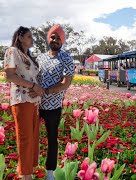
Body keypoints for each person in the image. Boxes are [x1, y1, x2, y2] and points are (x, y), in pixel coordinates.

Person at [30, 24, 75, 180]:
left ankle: (50, 173)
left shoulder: (67, 59)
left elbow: (65, 83)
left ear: (62, 41)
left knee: (52, 138)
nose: (55, 40)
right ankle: (29, 168)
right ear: (48, 39)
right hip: (35, 104)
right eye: (52, 37)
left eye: (58, 38)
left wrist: (46, 91)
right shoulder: (39, 58)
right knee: (30, 136)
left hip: (53, 107)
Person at [4, 26, 44, 180]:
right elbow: (10, 76)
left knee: (33, 137)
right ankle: (24, 174)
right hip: (21, 101)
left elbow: (34, 78)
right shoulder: (12, 51)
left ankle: (30, 170)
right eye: (28, 36)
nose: (31, 39)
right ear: (20, 37)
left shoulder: (29, 57)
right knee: (25, 137)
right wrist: (34, 86)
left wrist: (38, 89)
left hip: (33, 101)